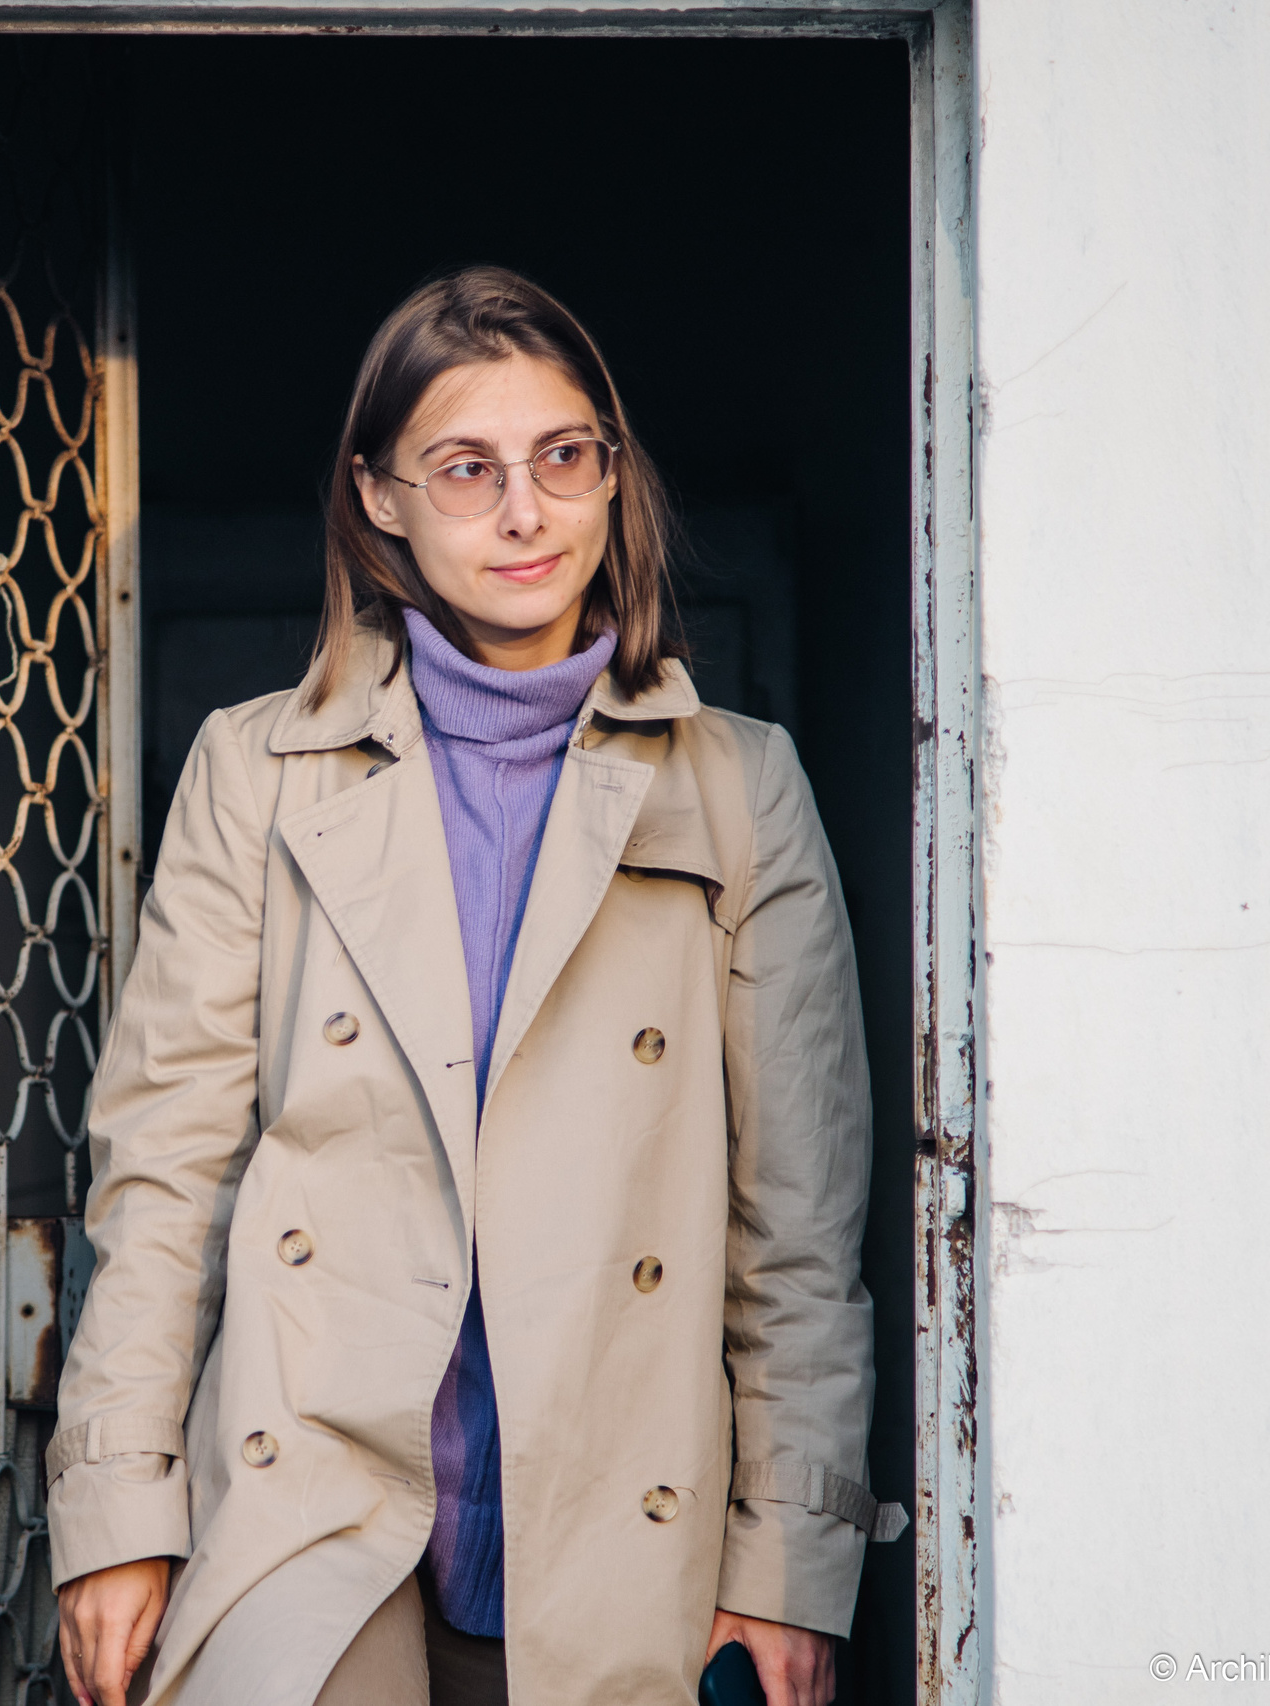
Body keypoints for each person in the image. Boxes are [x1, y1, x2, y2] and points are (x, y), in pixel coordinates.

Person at [46, 267, 893, 1706]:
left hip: (633, 1527)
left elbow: (798, 1225)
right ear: (380, 496)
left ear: (613, 477)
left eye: (565, 457)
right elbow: (163, 1177)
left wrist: (789, 1556)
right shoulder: (258, 771)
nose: (524, 511)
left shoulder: (741, 786)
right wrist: (118, 1511)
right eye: (465, 467)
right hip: (317, 1504)